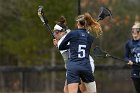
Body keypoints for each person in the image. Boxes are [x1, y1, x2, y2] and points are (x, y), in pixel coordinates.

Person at [56, 13, 102, 93]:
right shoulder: (90, 37)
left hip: (73, 66)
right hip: (85, 66)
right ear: (86, 24)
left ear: (78, 23)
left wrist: (72, 46)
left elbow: (61, 47)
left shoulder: (72, 33)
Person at [124, 22, 140, 93]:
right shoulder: (128, 43)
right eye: (133, 30)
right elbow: (126, 57)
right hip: (135, 70)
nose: (134, 32)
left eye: (136, 30)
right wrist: (128, 61)